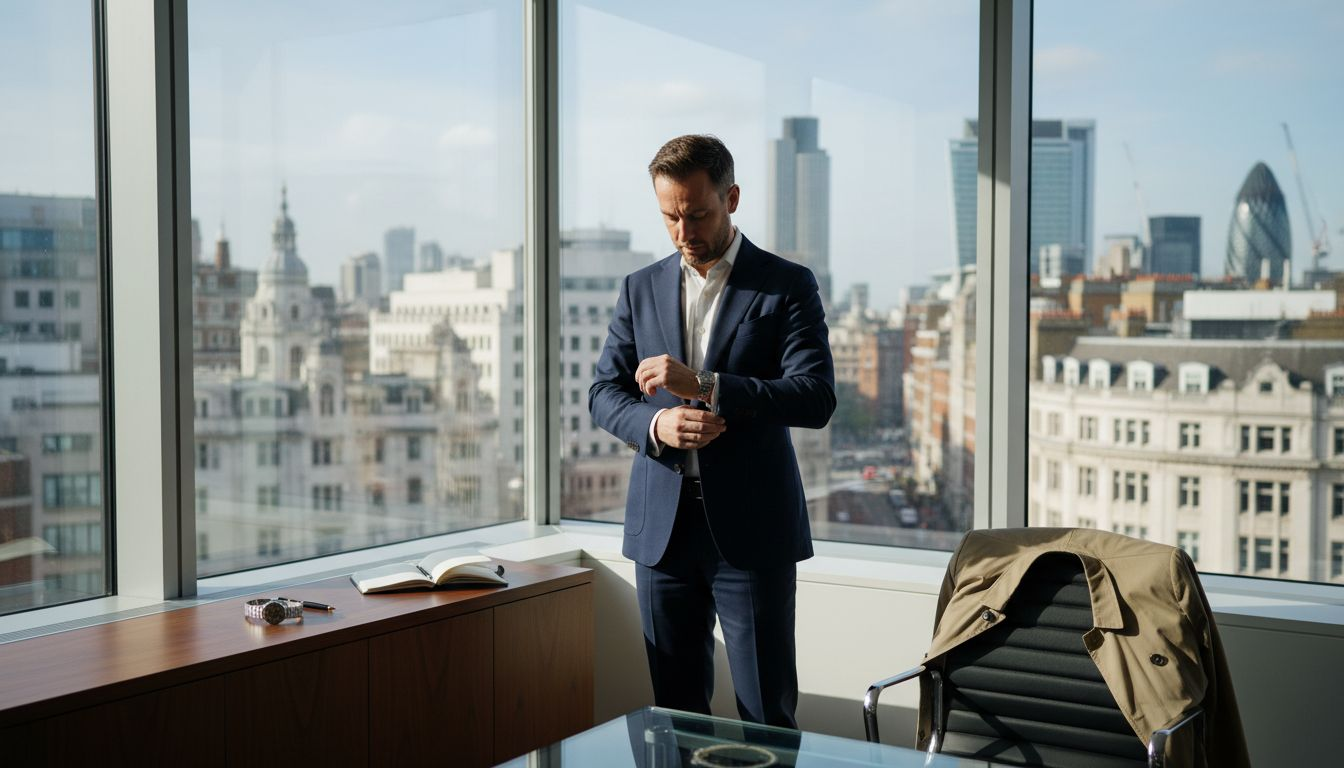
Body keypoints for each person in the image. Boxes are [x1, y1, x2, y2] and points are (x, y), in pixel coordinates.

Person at [589, 134, 835, 727]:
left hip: (751, 531)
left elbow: (815, 397)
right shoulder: (639, 287)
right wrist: (657, 423)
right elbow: (603, 394)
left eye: (696, 214)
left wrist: (707, 385)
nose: (682, 231)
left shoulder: (786, 285)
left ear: (732, 198)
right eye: (669, 216)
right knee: (672, 716)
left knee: (765, 713)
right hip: (662, 535)